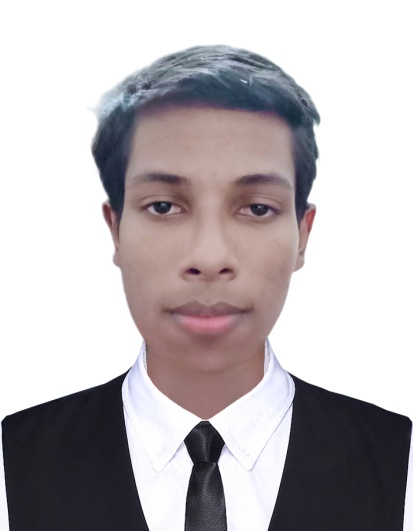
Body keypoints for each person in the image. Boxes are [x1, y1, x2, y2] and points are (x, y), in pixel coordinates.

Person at [1, 44, 411, 530]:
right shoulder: (15, 458)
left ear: (302, 235)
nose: (210, 258)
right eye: (163, 207)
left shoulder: (398, 458)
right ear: (116, 230)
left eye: (257, 208)